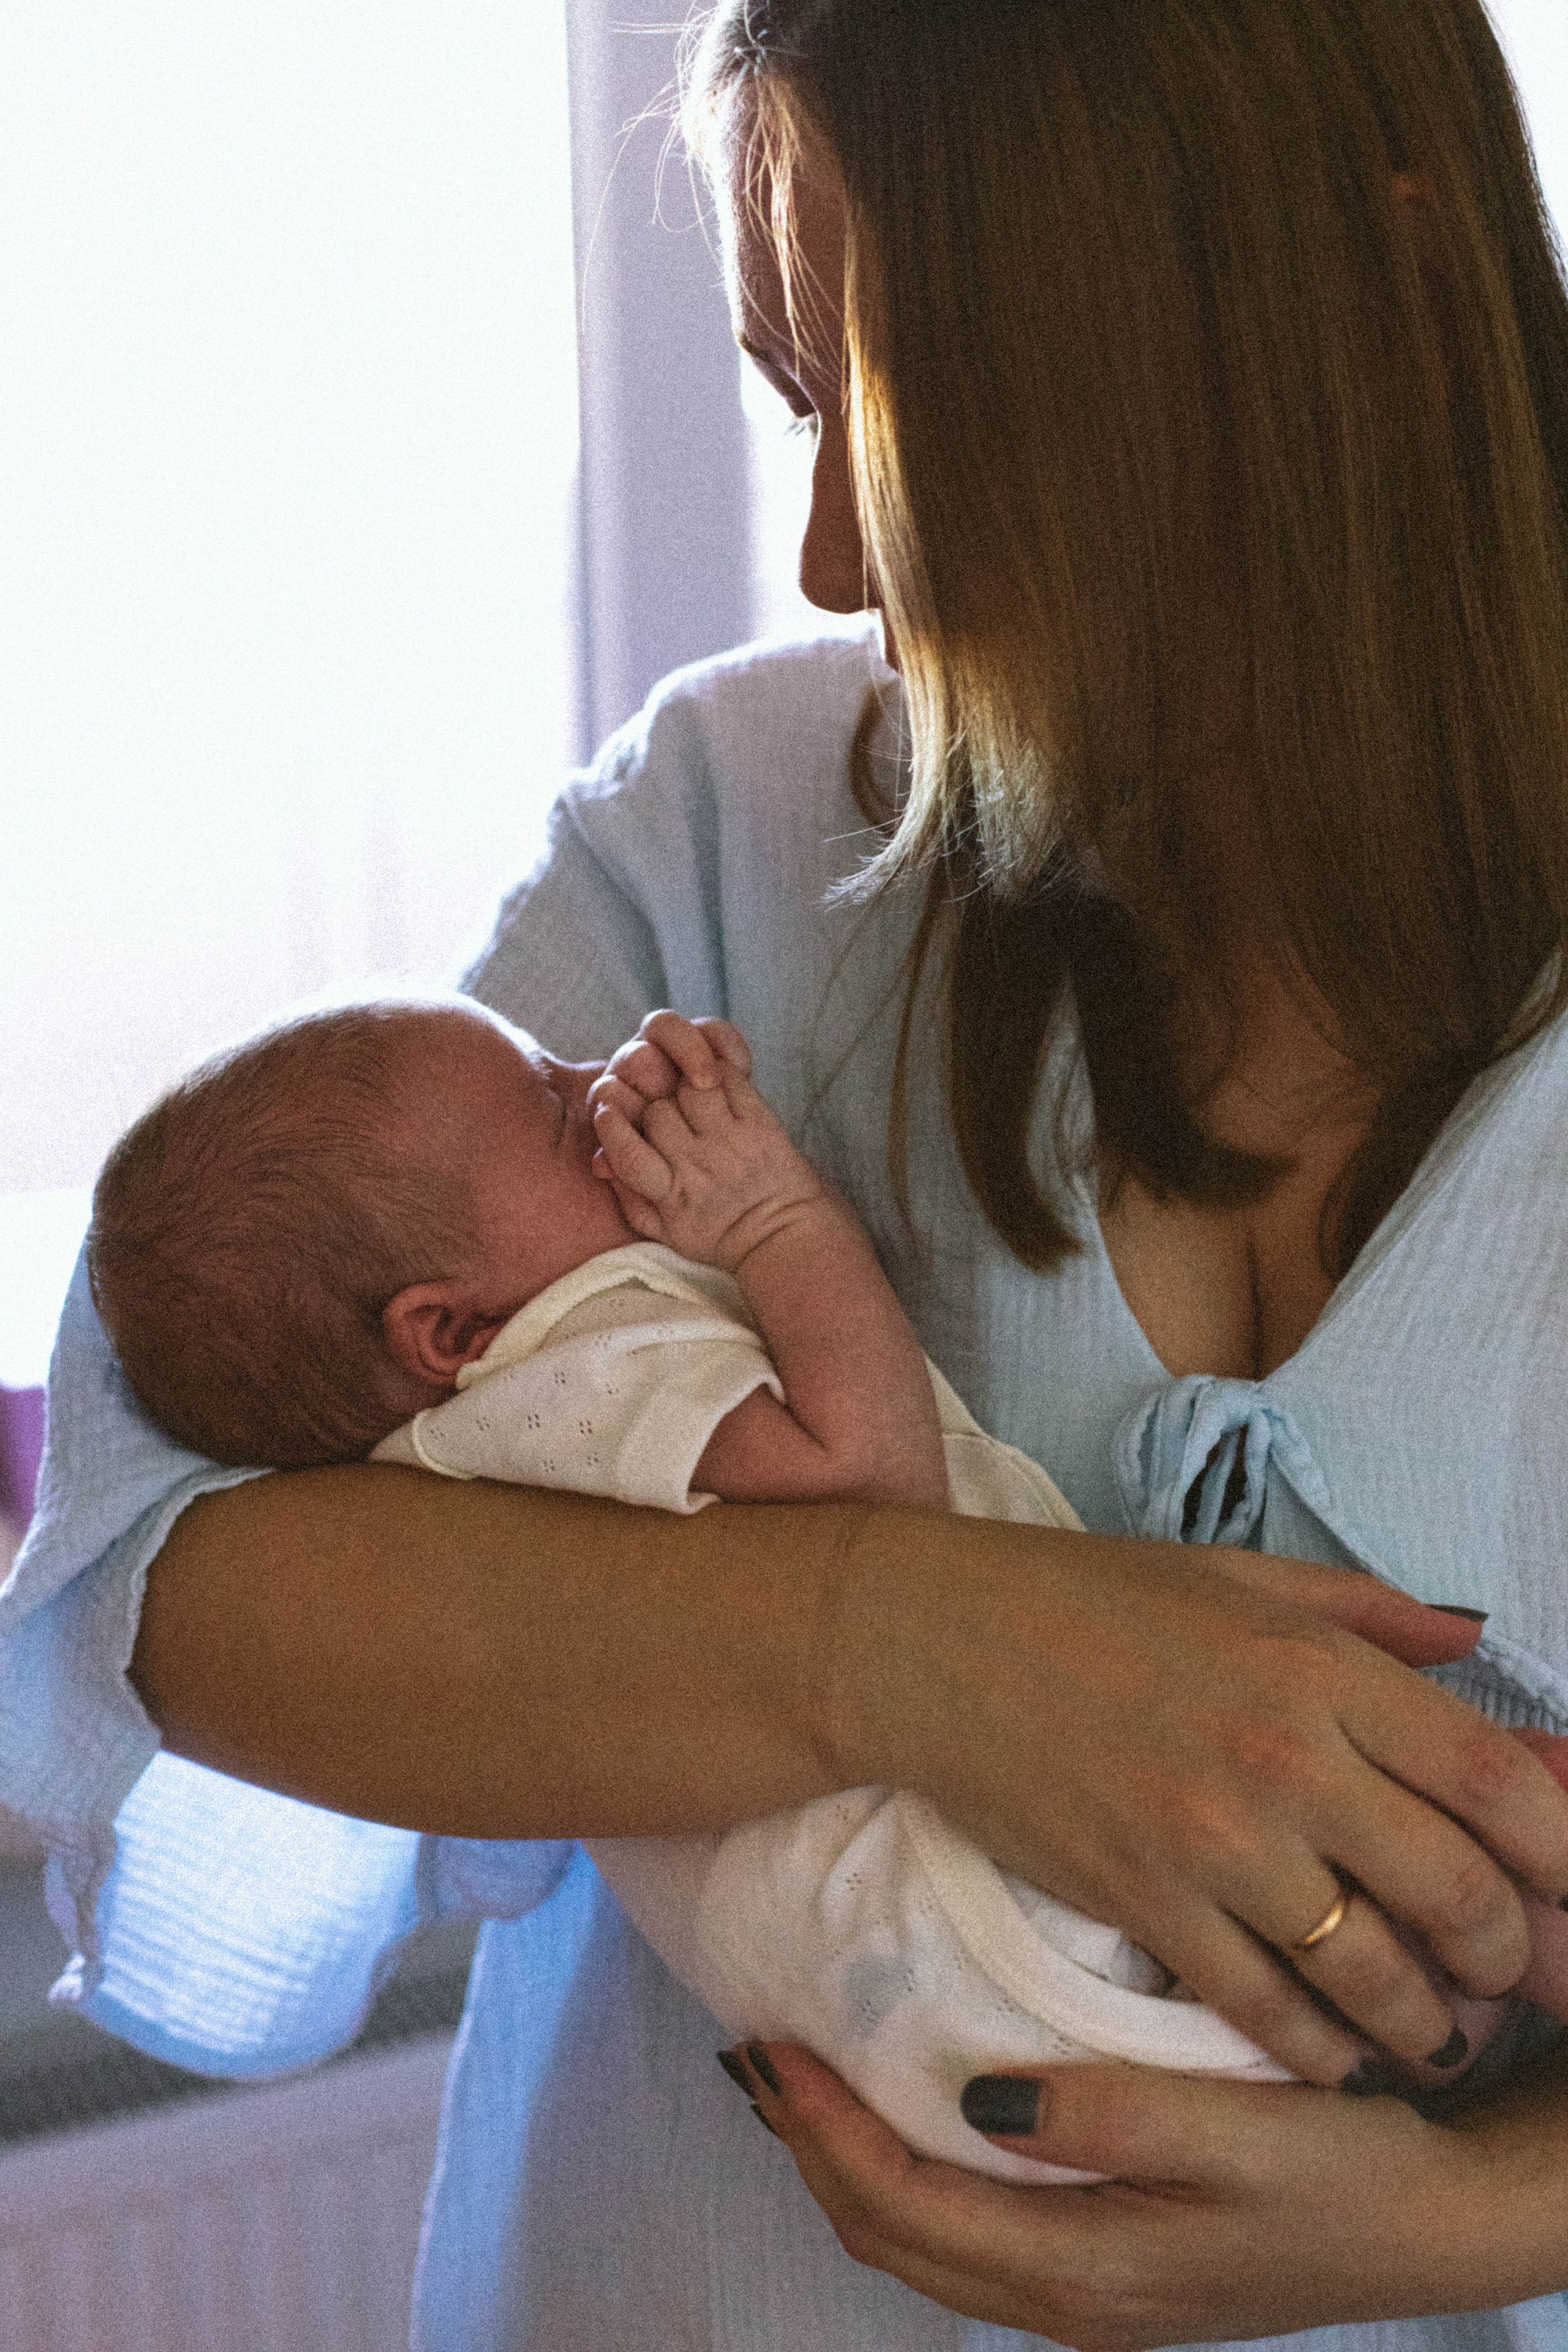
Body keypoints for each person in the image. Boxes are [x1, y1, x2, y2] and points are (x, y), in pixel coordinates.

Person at [6, 0, 1568, 2345]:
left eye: (924, 396)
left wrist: (1489, 2218)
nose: (838, 554)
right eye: (793, 399)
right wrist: (918, 1647)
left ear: (1368, 309)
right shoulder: (721, 834)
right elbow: (167, 1570)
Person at [81, 986, 1568, 2176]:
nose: (599, 1080)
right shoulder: (584, 1366)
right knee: (1443, 1871)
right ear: (445, 1334)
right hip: (987, 1943)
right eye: (551, 1109)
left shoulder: (479, 1421)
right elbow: (867, 1483)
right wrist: (780, 1222)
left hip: (925, 2015)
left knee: (1429, 1927)